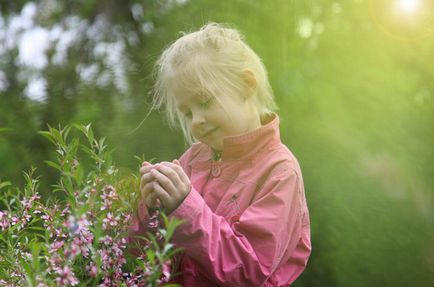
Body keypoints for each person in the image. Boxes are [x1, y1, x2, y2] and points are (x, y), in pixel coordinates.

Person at [128, 22, 311, 286]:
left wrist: (185, 209)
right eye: (187, 113)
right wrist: (149, 209)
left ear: (246, 84)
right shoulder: (193, 160)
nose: (196, 121)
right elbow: (143, 258)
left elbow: (249, 270)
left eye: (204, 102)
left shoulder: (280, 171)